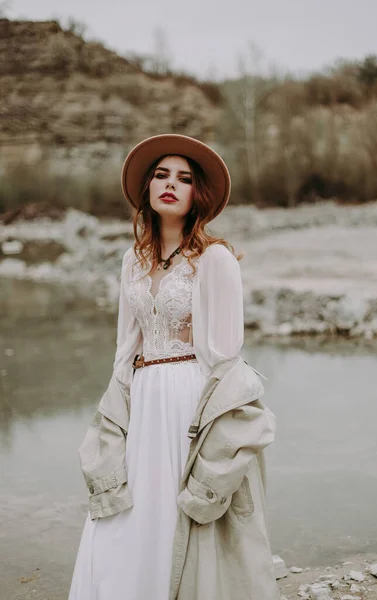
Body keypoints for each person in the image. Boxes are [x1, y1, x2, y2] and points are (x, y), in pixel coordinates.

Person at [68, 134, 278, 600]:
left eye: (184, 179)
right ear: (147, 188)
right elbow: (126, 345)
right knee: (126, 508)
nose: (170, 184)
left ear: (196, 194)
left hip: (189, 397)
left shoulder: (216, 258)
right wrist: (114, 414)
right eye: (161, 175)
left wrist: (221, 434)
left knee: (180, 509)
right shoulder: (133, 260)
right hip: (142, 395)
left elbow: (225, 357)